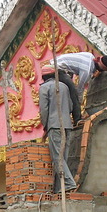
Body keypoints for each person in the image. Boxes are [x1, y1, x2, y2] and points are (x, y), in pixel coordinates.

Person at [39, 65, 80, 193]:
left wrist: (45, 126)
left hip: (54, 125)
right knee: (64, 157)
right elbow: (71, 105)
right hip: (67, 125)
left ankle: (68, 183)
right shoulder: (64, 86)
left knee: (57, 157)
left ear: (44, 77)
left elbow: (44, 110)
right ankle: (58, 188)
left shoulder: (44, 88)